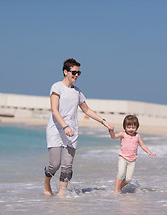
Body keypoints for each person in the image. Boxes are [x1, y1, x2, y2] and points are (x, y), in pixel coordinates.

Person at [44, 58, 114, 197]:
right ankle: (47, 184)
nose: (76, 75)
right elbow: (54, 110)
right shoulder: (57, 87)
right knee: (55, 164)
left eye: (78, 73)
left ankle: (61, 195)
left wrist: (104, 122)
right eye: (74, 72)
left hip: (72, 131)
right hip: (56, 130)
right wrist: (65, 126)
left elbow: (87, 110)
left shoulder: (77, 92)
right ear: (65, 72)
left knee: (67, 165)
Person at [108, 115, 156, 193]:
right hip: (123, 157)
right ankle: (116, 191)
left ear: (136, 127)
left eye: (133, 127)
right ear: (125, 127)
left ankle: (120, 187)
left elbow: (142, 145)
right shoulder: (123, 134)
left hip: (132, 160)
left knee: (128, 179)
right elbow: (113, 137)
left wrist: (148, 152)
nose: (131, 129)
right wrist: (111, 131)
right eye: (129, 127)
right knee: (120, 173)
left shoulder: (137, 136)